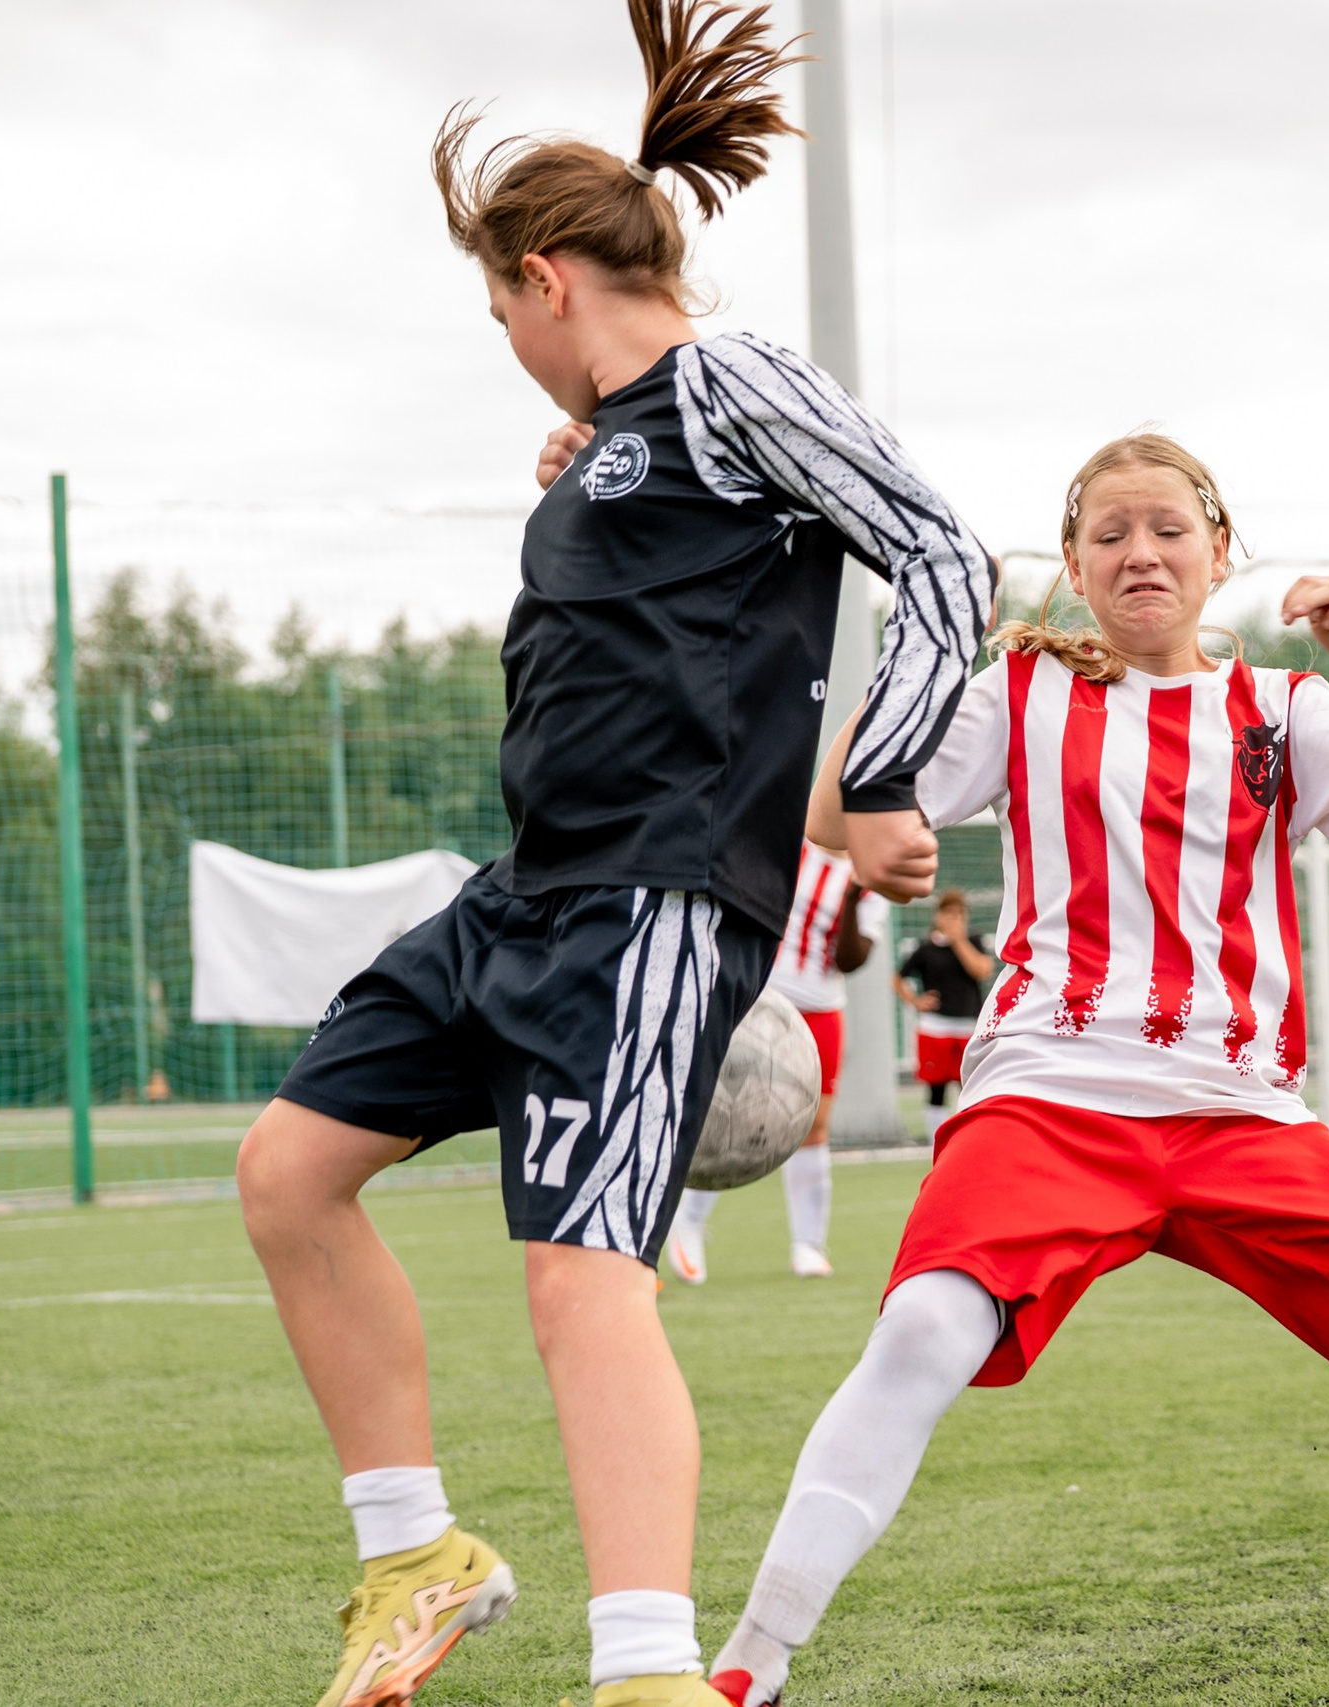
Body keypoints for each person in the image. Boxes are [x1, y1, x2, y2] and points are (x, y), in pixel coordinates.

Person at [232, 7, 990, 1704]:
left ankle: (648, 1669)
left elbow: (941, 551)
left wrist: (875, 776)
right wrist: (592, 470)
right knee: (287, 1170)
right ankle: (415, 1553)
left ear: (548, 278)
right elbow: (690, 660)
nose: (504, 336)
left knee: (582, 1277)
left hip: (647, 912)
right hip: (520, 896)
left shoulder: (733, 384)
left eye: (497, 303)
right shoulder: (618, 441)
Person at [702, 435, 1329, 1707]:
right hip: (1049, 1094)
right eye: (1107, 535)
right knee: (925, 1327)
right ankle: (745, 1674)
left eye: (1166, 529)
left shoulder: (1280, 708)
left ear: (1220, 552)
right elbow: (836, 807)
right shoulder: (1021, 691)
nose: (1138, 553)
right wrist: (892, 724)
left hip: (1238, 1111)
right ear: (1074, 566)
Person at [668, 840, 886, 1283]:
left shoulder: (871, 874)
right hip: (760, 995)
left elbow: (851, 959)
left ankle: (807, 1244)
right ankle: (687, 1223)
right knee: (722, 1112)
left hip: (821, 1006)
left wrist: (851, 892)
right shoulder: (793, 844)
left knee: (814, 1126)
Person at [896, 888, 992, 1140]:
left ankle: (972, 1137)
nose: (953, 918)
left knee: (971, 1086)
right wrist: (915, 1001)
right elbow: (897, 978)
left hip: (969, 1028)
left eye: (959, 913)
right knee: (936, 1089)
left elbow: (982, 970)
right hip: (934, 1028)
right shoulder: (926, 949)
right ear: (937, 915)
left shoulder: (973, 941)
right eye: (948, 912)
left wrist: (958, 940)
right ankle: (935, 1141)